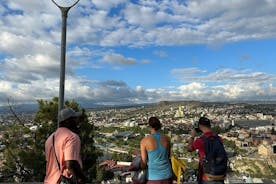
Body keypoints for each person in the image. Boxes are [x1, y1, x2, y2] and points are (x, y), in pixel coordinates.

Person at [44, 108, 86, 184]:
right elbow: (70, 164)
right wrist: (82, 179)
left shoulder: (50, 138)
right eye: (74, 118)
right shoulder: (72, 137)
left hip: (49, 181)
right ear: (68, 121)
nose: (77, 121)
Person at [187, 117, 226, 184]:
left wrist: (192, 136)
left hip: (207, 176)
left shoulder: (200, 140)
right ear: (209, 125)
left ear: (200, 126)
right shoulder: (219, 138)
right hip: (220, 175)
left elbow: (189, 149)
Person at [140, 117, 173, 184]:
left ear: (149, 127)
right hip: (167, 175)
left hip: (153, 177)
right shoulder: (167, 138)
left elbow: (143, 163)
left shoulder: (144, 141)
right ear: (160, 126)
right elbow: (168, 156)